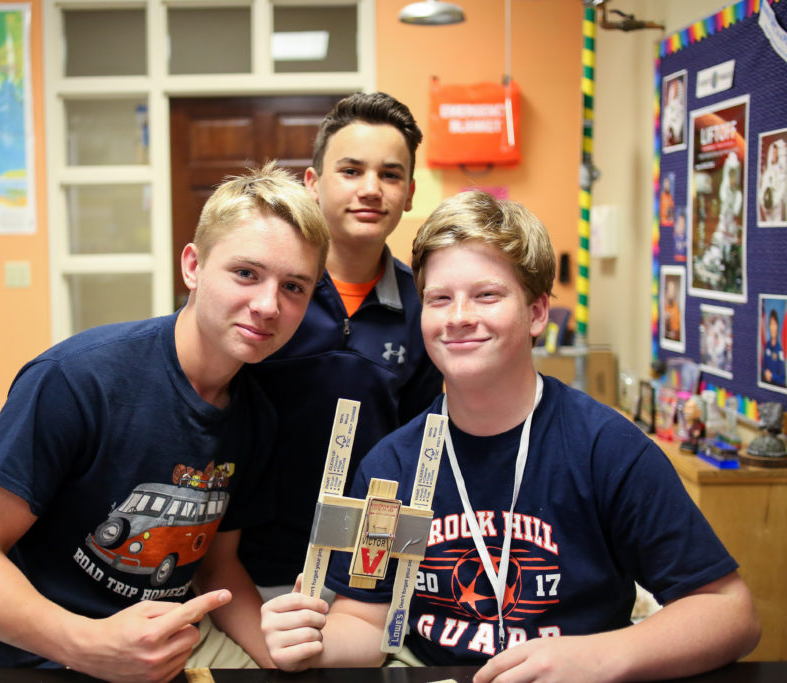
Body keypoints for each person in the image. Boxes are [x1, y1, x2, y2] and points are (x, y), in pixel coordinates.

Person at [261, 190, 760, 681]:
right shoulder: (392, 468)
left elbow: (729, 613)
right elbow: (369, 624)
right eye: (439, 299)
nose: (459, 317)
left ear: (537, 312)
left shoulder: (606, 449)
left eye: (487, 295)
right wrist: (311, 639)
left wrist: (601, 657)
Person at [0, 162, 330, 682]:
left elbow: (216, 563)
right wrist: (89, 644)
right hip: (44, 652)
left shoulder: (255, 415)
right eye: (246, 273)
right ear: (193, 266)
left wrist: (273, 652)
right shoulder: (77, 379)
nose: (267, 305)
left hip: (169, 648)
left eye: (294, 287)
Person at [238, 92, 443, 597]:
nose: (371, 189)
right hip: (246, 568)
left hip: (367, 574)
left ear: (410, 192)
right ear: (313, 183)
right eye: (350, 171)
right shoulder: (265, 297)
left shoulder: (428, 310)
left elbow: (423, 452)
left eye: (390, 175)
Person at [762, 307, 785, 386]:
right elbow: (763, 366)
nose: (773, 327)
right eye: (771, 324)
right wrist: (766, 372)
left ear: (777, 326)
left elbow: (782, 378)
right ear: (769, 326)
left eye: (775, 324)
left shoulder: (780, 350)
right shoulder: (767, 345)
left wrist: (772, 376)